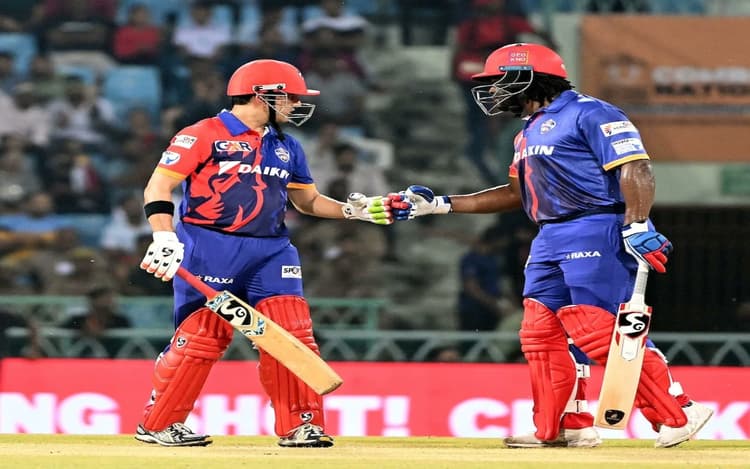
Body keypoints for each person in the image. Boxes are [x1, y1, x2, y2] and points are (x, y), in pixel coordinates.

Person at [387, 43, 713, 449]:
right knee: (540, 333)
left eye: (498, 81)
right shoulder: (526, 132)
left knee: (598, 329)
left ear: (528, 77)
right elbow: (514, 194)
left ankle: (680, 411)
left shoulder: (592, 112)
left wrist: (636, 223)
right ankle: (565, 425)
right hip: (548, 235)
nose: (493, 91)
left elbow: (635, 166)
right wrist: (438, 204)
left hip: (596, 227)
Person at [135, 58, 391, 448]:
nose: (296, 105)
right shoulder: (202, 134)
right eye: (291, 97)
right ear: (262, 95)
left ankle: (301, 424)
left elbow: (307, 202)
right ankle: (159, 424)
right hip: (209, 245)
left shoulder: (287, 146)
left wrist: (352, 211)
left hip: (272, 249)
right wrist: (163, 236)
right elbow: (158, 187)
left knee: (292, 333)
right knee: (203, 337)